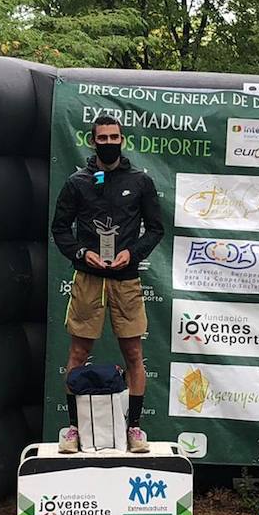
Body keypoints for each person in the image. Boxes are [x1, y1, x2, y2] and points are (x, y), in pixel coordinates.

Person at [51, 115, 164, 453]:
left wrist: (134, 252)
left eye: (114, 137)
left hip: (125, 280)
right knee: (77, 353)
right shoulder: (77, 182)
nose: (109, 143)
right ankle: (74, 428)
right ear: (93, 141)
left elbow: (155, 229)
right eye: (103, 138)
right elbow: (60, 229)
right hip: (89, 279)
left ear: (122, 140)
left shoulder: (140, 182)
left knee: (134, 354)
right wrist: (82, 253)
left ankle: (134, 428)